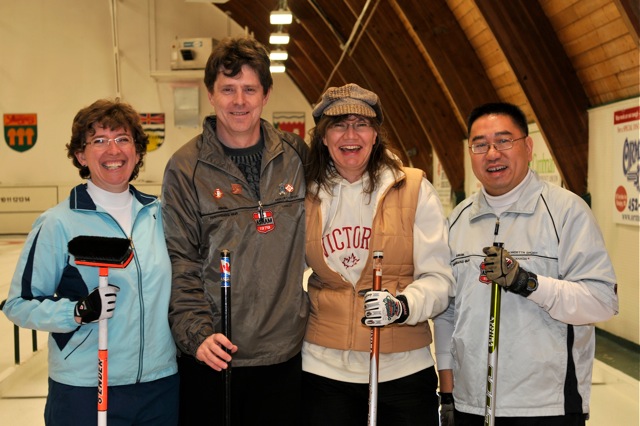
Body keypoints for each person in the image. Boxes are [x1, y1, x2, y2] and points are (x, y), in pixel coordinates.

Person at [434, 102, 619, 425]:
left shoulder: (566, 211)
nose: (493, 154)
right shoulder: (458, 220)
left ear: (528, 147)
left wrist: (527, 283)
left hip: (546, 407)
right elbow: (447, 313)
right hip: (470, 404)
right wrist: (448, 393)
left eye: (504, 141)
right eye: (480, 145)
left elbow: (602, 301)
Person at [2, 99, 179, 425]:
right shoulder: (58, 222)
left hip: (160, 386)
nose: (113, 150)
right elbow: (18, 304)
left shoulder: (160, 215)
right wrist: (76, 311)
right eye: (99, 140)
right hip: (86, 388)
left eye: (122, 138)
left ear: (137, 150)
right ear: (81, 155)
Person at [161, 36, 309, 425]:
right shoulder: (185, 167)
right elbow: (180, 260)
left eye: (249, 89)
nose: (239, 100)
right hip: (214, 354)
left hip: (285, 355)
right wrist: (197, 335)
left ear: (266, 94)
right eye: (228, 89)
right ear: (210, 95)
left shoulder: (296, 155)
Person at [302, 83, 454, 425]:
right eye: (338, 125)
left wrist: (402, 306)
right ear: (323, 137)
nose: (350, 135)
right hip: (324, 370)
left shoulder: (414, 188)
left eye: (362, 124)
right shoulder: (305, 193)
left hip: (402, 370)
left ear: (375, 135)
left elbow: (440, 279)